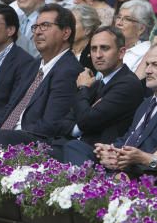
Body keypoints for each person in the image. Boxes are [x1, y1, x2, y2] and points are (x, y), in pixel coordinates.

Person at [0, 3, 82, 146]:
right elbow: (10, 106)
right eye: (35, 27)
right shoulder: (34, 65)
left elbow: (51, 124)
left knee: (3, 138)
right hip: (7, 135)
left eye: (45, 26)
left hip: (35, 142)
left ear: (66, 33)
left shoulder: (69, 70)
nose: (38, 32)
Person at [56, 26, 147, 164]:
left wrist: (82, 88)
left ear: (121, 52)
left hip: (100, 157)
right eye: (94, 49)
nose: (98, 55)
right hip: (75, 147)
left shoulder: (128, 84)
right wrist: (82, 122)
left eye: (104, 48)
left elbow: (86, 120)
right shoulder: (97, 83)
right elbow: (63, 122)